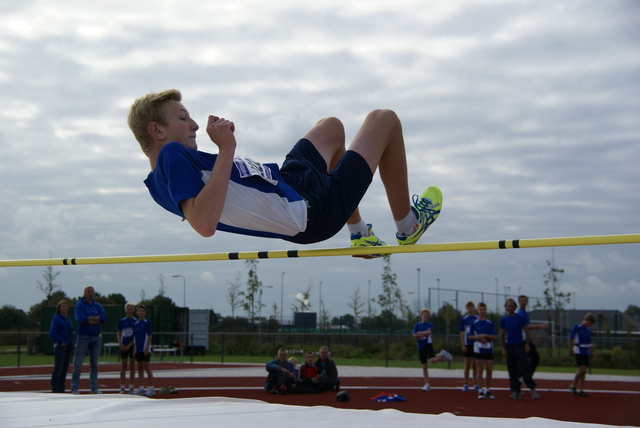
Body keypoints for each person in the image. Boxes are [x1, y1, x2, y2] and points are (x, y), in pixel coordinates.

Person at [127, 90, 443, 257]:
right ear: (156, 130)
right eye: (183, 118)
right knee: (383, 119)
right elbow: (205, 224)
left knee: (330, 127)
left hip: (289, 183)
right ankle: (408, 226)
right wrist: (226, 148)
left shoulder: (159, 184)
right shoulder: (171, 154)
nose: (194, 125)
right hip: (311, 210)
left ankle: (360, 234)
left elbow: (202, 209)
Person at [500, 298, 539, 400]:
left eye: (512, 306)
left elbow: (526, 332)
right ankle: (515, 391)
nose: (510, 308)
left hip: (520, 344)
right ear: (506, 307)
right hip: (510, 345)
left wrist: (527, 345)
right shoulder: (503, 320)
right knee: (511, 368)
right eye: (508, 306)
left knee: (523, 366)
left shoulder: (520, 317)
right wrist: (504, 348)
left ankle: (532, 388)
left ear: (515, 307)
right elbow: (502, 335)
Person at [70, 286, 106, 395]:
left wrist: (90, 318)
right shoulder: (80, 305)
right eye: (88, 292)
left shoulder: (97, 305)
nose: (90, 294)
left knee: (94, 364)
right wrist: (96, 319)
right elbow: (81, 319)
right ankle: (75, 387)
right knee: (78, 364)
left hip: (96, 337)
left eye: (92, 292)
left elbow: (103, 318)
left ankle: (94, 388)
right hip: (83, 336)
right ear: (85, 293)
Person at [412, 308, 453, 391]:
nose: (425, 316)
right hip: (420, 346)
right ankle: (427, 384)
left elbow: (428, 333)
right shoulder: (417, 325)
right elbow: (414, 336)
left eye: (427, 315)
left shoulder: (430, 325)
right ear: (421, 316)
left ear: (429, 316)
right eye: (424, 314)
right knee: (424, 366)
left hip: (428, 345)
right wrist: (422, 334)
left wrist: (420, 333)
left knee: (433, 360)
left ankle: (442, 354)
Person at [469, 302, 497, 399]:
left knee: (489, 369)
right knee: (479, 369)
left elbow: (494, 336)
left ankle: (487, 389)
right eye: (480, 310)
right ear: (478, 311)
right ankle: (480, 390)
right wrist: (478, 337)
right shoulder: (474, 323)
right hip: (478, 348)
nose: (482, 311)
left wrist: (486, 336)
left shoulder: (489, 322)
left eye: (484, 310)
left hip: (488, 348)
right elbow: (470, 336)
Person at [517, 295, 549, 376]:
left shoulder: (525, 313)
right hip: (521, 339)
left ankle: (524, 376)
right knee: (534, 358)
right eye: (522, 301)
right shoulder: (520, 314)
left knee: (530, 358)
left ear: (527, 302)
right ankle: (525, 376)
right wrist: (540, 326)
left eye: (525, 301)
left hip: (525, 338)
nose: (523, 303)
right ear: (519, 302)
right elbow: (526, 327)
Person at [568, 313, 597, 397]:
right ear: (587, 321)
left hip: (585, 351)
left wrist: (593, 352)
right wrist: (570, 349)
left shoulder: (588, 330)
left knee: (584, 372)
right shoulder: (577, 327)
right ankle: (573, 385)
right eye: (590, 323)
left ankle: (581, 389)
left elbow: (589, 341)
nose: (590, 325)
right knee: (582, 369)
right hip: (578, 350)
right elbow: (570, 338)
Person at [49, 300, 74, 393]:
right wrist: (61, 341)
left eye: (66, 306)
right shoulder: (56, 318)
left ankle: (61, 386)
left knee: (64, 367)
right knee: (58, 367)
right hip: (61, 346)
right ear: (59, 308)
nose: (65, 308)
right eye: (63, 306)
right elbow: (52, 333)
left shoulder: (67, 318)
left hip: (68, 345)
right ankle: (55, 387)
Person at [133, 304, 155, 397]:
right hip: (138, 348)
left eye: (142, 311)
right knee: (140, 368)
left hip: (145, 348)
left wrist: (147, 347)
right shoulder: (136, 323)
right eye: (139, 311)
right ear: (137, 313)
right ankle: (141, 387)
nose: (141, 312)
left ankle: (151, 388)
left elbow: (149, 335)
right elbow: (134, 337)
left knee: (147, 367)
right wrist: (134, 349)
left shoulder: (147, 322)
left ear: (145, 313)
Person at [117, 302, 137, 394]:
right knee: (123, 366)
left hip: (132, 345)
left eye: (131, 309)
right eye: (128, 309)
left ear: (133, 310)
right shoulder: (122, 321)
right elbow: (119, 332)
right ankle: (122, 386)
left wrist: (129, 345)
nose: (129, 310)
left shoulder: (135, 321)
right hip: (123, 344)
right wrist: (120, 343)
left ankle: (132, 386)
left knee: (132, 366)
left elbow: (135, 336)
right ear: (125, 310)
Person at [458, 300, 478, 392]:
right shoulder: (464, 319)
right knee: (467, 364)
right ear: (466, 309)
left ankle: (476, 383)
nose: (470, 308)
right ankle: (465, 383)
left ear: (474, 308)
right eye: (468, 307)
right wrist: (463, 344)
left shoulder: (477, 318)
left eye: (471, 306)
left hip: (476, 344)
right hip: (467, 343)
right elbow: (462, 332)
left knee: (475, 364)